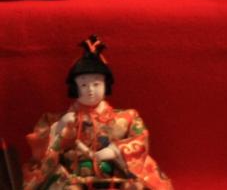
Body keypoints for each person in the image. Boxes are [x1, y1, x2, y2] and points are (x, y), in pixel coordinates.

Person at [24, 36, 174, 188]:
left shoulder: (128, 118)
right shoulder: (54, 119)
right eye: (83, 85)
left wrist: (115, 151)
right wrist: (59, 127)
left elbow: (140, 141)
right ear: (74, 87)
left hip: (114, 176)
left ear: (105, 85)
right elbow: (39, 153)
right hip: (71, 178)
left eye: (96, 84)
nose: (90, 90)